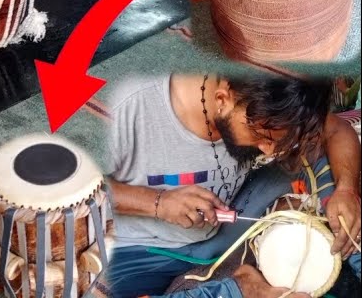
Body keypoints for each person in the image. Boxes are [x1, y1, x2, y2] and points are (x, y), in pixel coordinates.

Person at [106, 74, 361, 298]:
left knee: (320, 156)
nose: (270, 151)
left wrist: (347, 190)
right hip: (143, 252)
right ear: (222, 99)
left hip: (231, 218)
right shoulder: (128, 105)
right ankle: (240, 288)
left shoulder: (271, 102)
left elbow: (336, 130)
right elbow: (83, 192)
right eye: (261, 136)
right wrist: (158, 202)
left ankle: (353, 245)